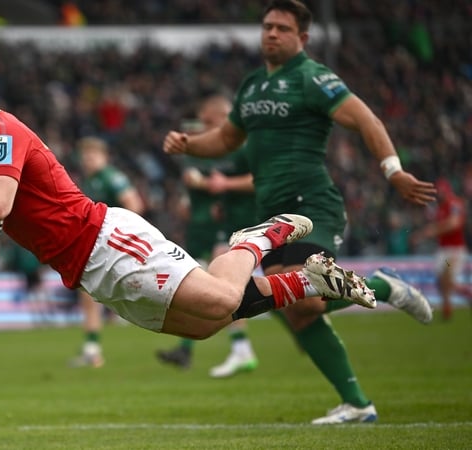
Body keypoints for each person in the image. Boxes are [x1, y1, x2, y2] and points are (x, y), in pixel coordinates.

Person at [0, 54, 377, 388]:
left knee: (222, 297)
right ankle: (304, 280)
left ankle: (257, 238)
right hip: (93, 273)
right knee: (206, 326)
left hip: (107, 243)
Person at [163, 0, 436, 424]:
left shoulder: (313, 78)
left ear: (302, 38)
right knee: (296, 310)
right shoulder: (252, 85)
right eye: (267, 26)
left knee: (296, 301)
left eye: (282, 29)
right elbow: (226, 139)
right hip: (272, 215)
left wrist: (393, 170)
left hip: (311, 204)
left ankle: (381, 289)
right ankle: (358, 404)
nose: (271, 33)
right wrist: (190, 144)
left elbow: (366, 119)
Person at [156, 94, 259, 376]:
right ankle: (193, 350)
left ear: (225, 118)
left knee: (222, 287)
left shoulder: (245, 146)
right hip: (213, 227)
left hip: (242, 224)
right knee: (207, 287)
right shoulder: (204, 152)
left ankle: (241, 349)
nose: (204, 127)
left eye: (210, 122)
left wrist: (224, 184)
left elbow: (262, 178)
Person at [69, 136, 146, 368]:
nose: (88, 160)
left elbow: (135, 204)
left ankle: (94, 350)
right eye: (85, 156)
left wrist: (121, 233)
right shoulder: (90, 180)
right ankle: (92, 350)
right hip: (96, 244)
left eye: (93, 155)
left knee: (91, 294)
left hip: (111, 244)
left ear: (104, 157)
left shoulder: (111, 177)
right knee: (87, 295)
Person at [410, 178, 472, 321]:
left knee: (447, 277)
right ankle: (449, 305)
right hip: (443, 250)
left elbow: (455, 223)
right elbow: (437, 228)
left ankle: (451, 306)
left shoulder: (454, 204)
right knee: (441, 281)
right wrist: (423, 234)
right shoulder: (439, 209)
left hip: (454, 250)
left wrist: (434, 230)